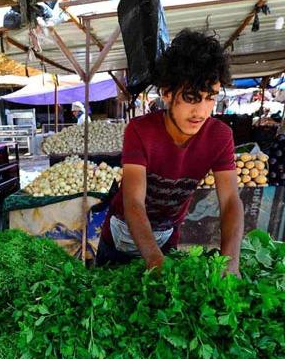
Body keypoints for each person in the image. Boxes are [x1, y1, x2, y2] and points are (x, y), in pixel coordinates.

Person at [95, 28, 244, 274]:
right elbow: (133, 201)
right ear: (166, 93)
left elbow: (230, 201)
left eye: (211, 98)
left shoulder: (220, 136)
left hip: (166, 236)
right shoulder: (140, 131)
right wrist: (154, 261)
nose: (202, 112)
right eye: (191, 98)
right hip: (121, 237)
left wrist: (231, 261)